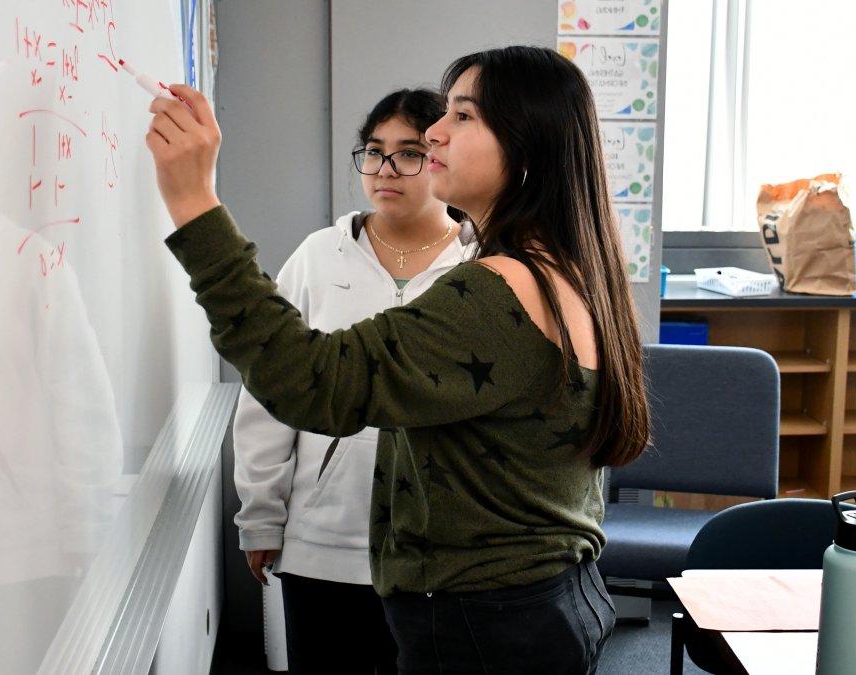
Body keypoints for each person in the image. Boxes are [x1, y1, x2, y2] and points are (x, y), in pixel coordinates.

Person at [145, 45, 650, 675]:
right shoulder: (568, 269)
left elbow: (313, 382)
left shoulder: (499, 289)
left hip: (485, 623)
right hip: (540, 601)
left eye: (463, 116)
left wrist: (194, 201)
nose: (435, 130)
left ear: (527, 147)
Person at [232, 88, 470, 675]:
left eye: (409, 152)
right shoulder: (319, 256)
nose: (385, 171)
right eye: (373, 151)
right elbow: (271, 392)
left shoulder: (479, 264)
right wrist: (260, 513)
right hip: (324, 542)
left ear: (440, 158)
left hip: (439, 553)